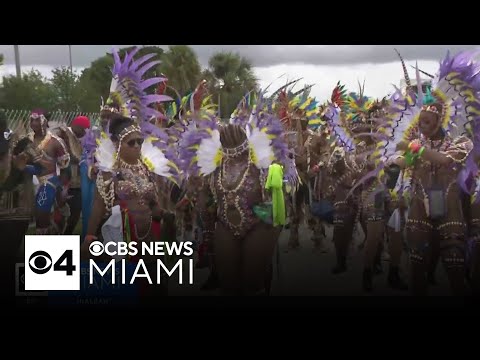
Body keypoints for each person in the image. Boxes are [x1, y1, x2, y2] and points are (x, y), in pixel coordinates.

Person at [0, 111, 35, 300]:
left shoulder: (22, 144)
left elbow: (47, 165)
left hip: (16, 212)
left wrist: (25, 169)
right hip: (12, 211)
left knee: (9, 259)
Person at [18, 110, 70, 235]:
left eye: (37, 120)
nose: (34, 123)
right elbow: (19, 162)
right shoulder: (25, 141)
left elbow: (65, 168)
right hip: (30, 181)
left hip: (49, 180)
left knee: (41, 214)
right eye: (31, 120)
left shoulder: (56, 142)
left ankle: (46, 243)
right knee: (32, 215)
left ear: (45, 122)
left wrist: (64, 189)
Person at [56, 115, 91, 235]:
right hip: (63, 182)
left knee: (74, 214)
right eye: (84, 129)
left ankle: (65, 239)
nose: (84, 133)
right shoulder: (62, 135)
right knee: (61, 215)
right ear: (77, 126)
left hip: (77, 184)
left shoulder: (78, 138)